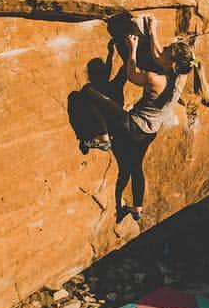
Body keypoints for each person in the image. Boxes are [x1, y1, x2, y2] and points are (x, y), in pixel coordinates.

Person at [70, 14, 195, 223]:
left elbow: (131, 74)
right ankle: (137, 208)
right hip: (148, 133)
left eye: (167, 51)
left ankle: (102, 138)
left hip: (132, 127)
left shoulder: (155, 79)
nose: (162, 50)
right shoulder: (182, 74)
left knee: (88, 92)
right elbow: (158, 56)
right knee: (134, 168)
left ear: (170, 63)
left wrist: (132, 49)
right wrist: (152, 30)